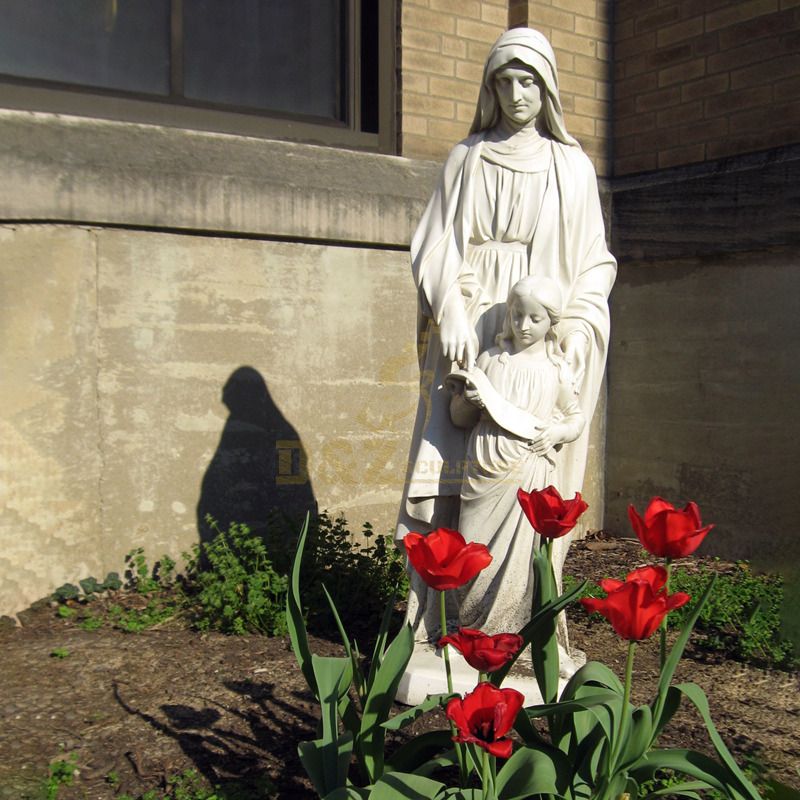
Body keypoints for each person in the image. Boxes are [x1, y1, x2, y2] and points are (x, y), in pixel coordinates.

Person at [399, 27, 616, 643]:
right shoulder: (466, 158)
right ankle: (442, 617)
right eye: (506, 80)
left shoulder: (568, 165)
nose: (517, 93)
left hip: (539, 327)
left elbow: (595, 262)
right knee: (455, 452)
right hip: (473, 317)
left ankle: (522, 618)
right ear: (491, 87)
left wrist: (574, 323)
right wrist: (454, 312)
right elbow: (435, 244)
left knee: (530, 474)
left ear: (546, 88)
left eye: (529, 81)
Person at [449, 276, 584, 637]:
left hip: (527, 466)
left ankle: (510, 631)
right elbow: (458, 418)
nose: (524, 326)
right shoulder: (491, 361)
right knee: (474, 549)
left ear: (551, 323)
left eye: (535, 319)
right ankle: (472, 630)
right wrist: (466, 400)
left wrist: (556, 432)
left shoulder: (556, 370)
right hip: (483, 466)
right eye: (517, 315)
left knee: (518, 557)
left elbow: (575, 418)